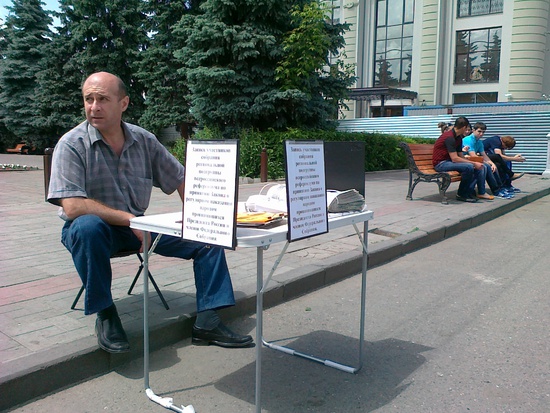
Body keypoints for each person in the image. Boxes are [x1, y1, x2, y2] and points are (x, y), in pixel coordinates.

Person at [47, 72, 253, 353]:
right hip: (96, 232)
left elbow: (181, 179)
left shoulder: (143, 140)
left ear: (123, 103)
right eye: (88, 99)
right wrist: (130, 219)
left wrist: (202, 216)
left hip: (139, 228)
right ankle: (106, 315)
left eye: (102, 99)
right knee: (87, 227)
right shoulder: (72, 144)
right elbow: (72, 206)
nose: (94, 107)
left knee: (207, 237)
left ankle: (208, 321)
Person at [432, 116, 485, 203]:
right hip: (441, 164)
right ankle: (461, 194)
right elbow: (455, 158)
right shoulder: (449, 137)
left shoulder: (458, 138)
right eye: (467, 128)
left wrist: (474, 164)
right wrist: (473, 163)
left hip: (449, 162)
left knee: (476, 168)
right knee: (469, 167)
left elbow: (460, 156)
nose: (467, 131)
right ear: (464, 127)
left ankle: (469, 192)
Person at [462, 122, 513, 200]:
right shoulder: (468, 140)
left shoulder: (479, 142)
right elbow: (473, 155)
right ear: (473, 130)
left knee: (493, 166)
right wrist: (487, 163)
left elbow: (484, 155)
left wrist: (492, 163)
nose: (481, 134)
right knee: (485, 167)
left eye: (483, 132)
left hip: (472, 161)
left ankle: (499, 188)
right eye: (479, 131)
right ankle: (487, 191)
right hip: (465, 161)